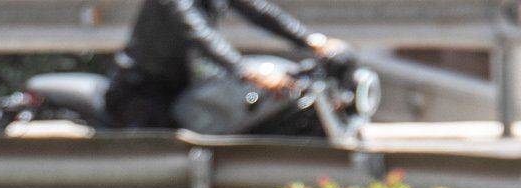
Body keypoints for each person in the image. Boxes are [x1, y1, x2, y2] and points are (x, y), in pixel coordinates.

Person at [103, 0, 349, 128]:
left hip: (182, 85)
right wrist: (245, 70)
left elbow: (260, 12)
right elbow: (197, 33)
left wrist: (311, 40)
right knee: (163, 163)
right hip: (141, 89)